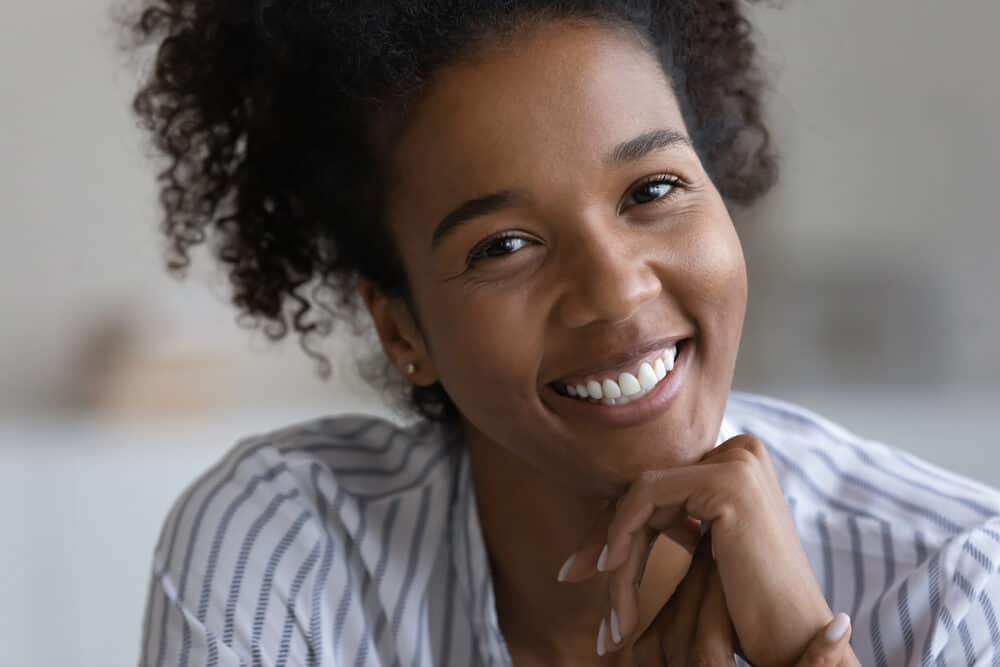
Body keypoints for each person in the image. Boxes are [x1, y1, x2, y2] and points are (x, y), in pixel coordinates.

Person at [123, 1, 1000, 665]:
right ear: (399, 326)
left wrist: (810, 648)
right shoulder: (289, 550)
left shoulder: (954, 584)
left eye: (653, 190)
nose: (616, 291)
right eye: (504, 244)